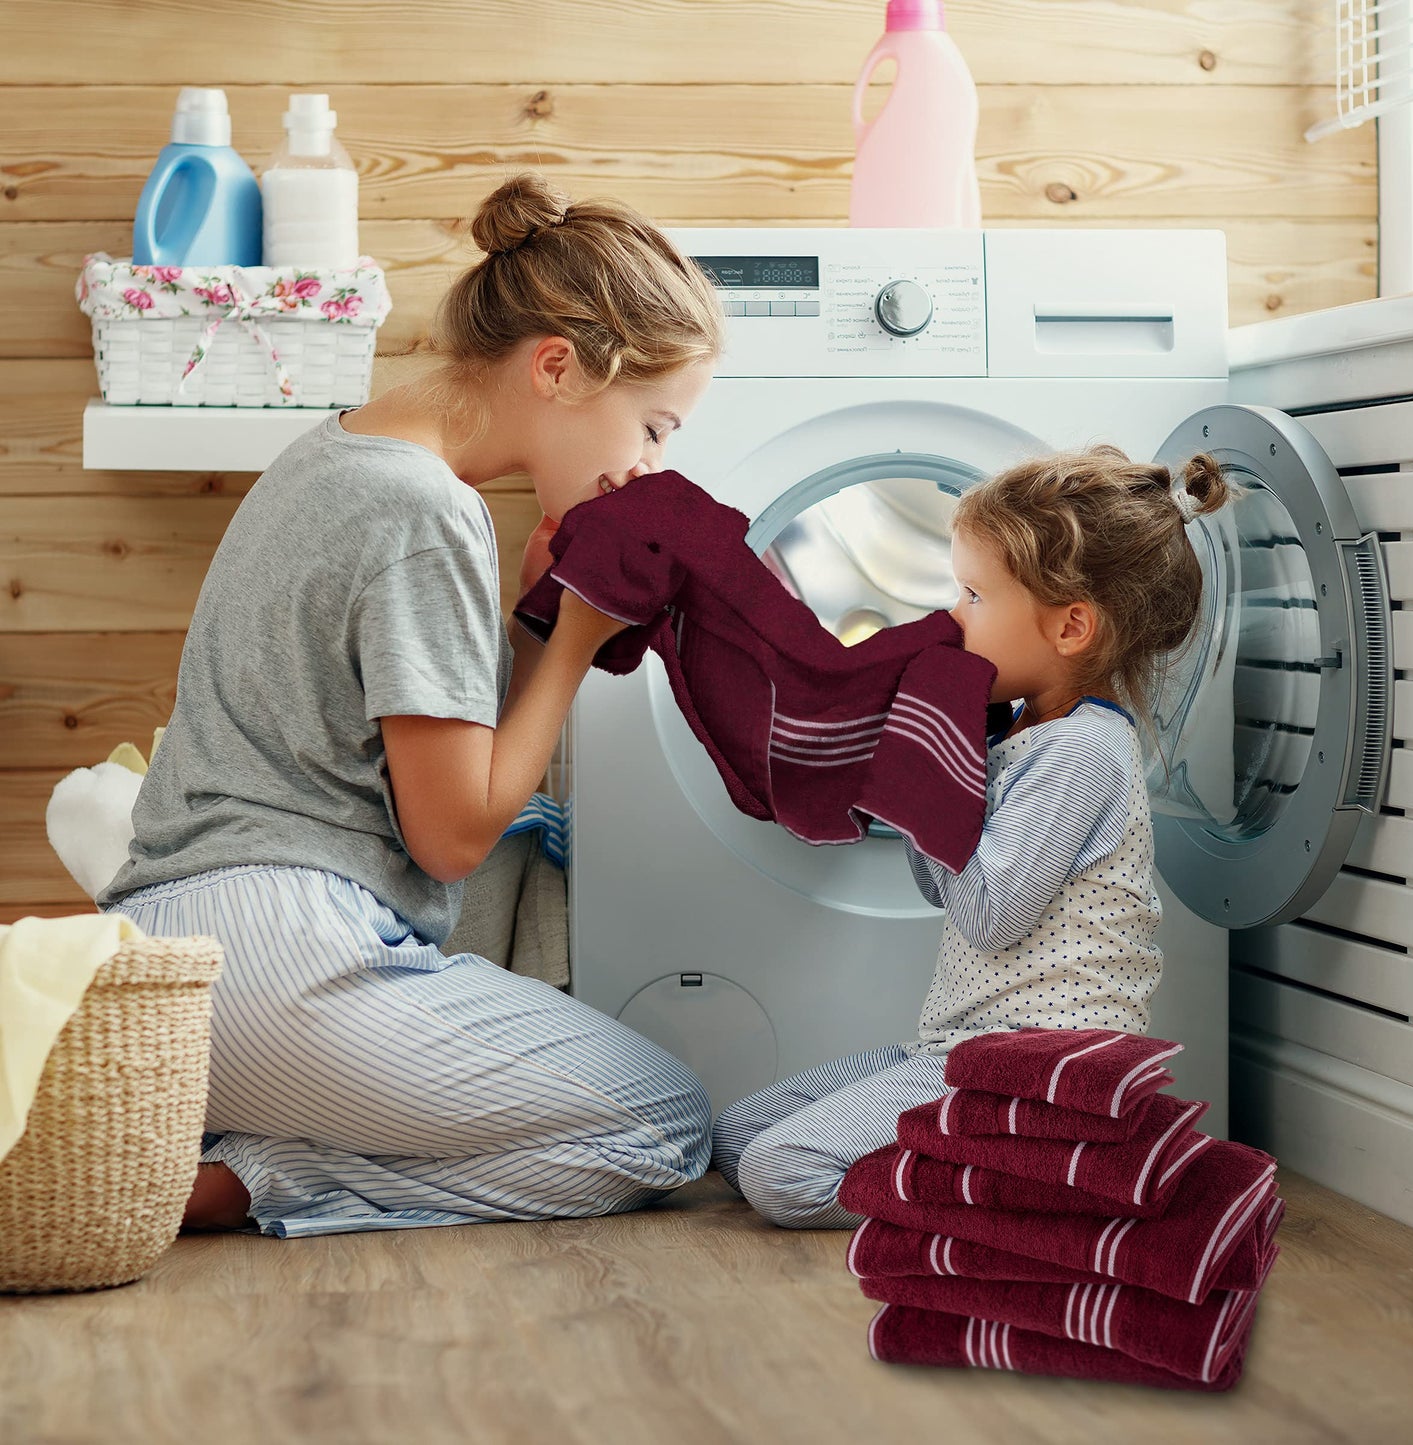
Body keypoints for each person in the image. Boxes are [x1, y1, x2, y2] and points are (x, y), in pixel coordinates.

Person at [98, 173, 725, 1236]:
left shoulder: (332, 453)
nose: (649, 468)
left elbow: (408, 760)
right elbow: (452, 834)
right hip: (279, 961)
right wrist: (574, 642)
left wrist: (530, 627)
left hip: (158, 964)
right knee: (667, 1120)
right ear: (557, 367)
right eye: (654, 426)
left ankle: (216, 1153)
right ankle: (246, 1180)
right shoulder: (428, 509)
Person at [711, 444, 1234, 1228]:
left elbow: (990, 914)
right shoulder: (1017, 730)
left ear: (1070, 626)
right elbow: (941, 888)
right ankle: (1006, 1164)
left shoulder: (1081, 752)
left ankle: (1053, 1180)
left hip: (1041, 1070)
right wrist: (934, 756)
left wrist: (928, 781)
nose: (952, 615)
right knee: (737, 1134)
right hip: (961, 1050)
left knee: (779, 1173)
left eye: (974, 595)